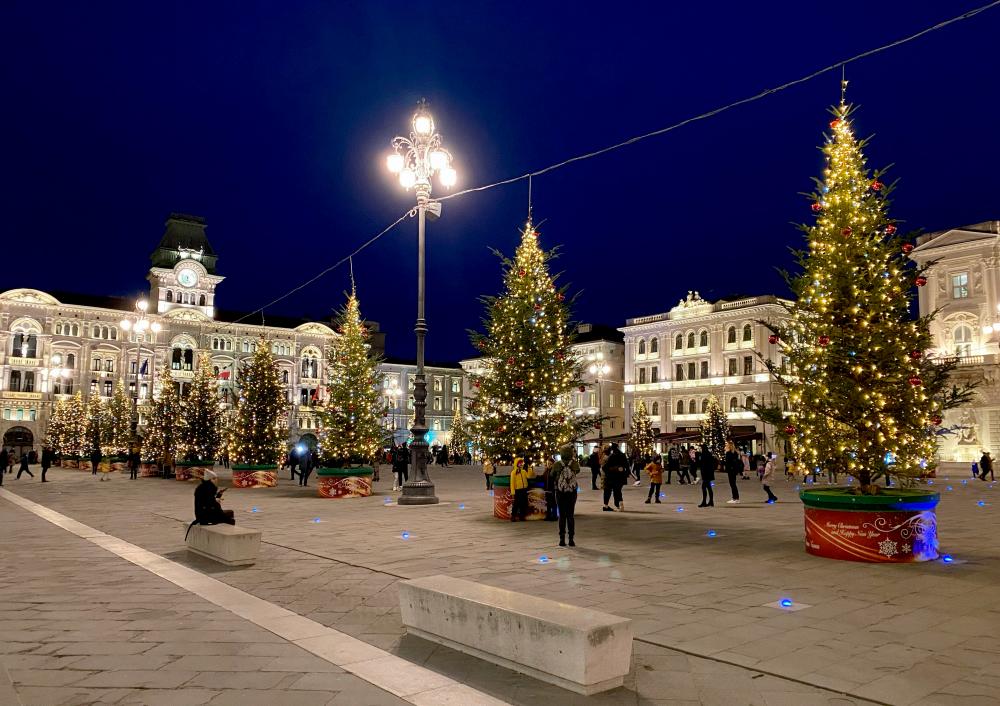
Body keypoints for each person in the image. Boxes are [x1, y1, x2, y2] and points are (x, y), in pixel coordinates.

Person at [186, 470, 235, 539]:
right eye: (214, 479)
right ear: (209, 480)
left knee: (228, 514)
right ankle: (230, 537)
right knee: (229, 517)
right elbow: (210, 504)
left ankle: (228, 534)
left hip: (202, 514)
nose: (216, 481)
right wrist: (217, 501)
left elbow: (209, 501)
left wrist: (218, 495)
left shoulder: (204, 487)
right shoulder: (208, 488)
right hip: (205, 516)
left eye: (216, 478)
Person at [552, 444, 580, 546]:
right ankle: (571, 539)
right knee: (570, 515)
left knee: (562, 516)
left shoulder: (557, 464)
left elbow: (552, 475)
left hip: (560, 492)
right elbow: (577, 471)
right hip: (572, 492)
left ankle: (562, 539)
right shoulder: (575, 464)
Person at [601, 443, 628, 512]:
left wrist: (613, 469)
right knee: (617, 491)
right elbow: (627, 466)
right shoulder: (622, 455)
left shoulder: (612, 456)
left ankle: (606, 506)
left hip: (610, 477)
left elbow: (604, 468)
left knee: (608, 491)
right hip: (619, 477)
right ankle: (619, 505)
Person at [510, 457, 534, 521]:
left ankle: (522, 516)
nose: (521, 464)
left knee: (523, 503)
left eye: (521, 463)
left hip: (524, 489)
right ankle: (513, 516)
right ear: (516, 464)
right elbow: (512, 483)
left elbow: (529, 476)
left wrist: (529, 469)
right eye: (519, 463)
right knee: (516, 503)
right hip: (518, 490)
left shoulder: (523, 471)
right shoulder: (513, 472)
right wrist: (513, 492)